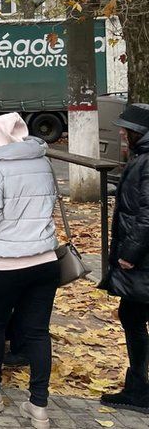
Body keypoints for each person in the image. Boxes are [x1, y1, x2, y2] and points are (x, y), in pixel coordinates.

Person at [0, 112, 58, 429]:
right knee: (38, 333)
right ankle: (39, 407)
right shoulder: (42, 161)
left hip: (4, 263)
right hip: (44, 261)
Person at [99, 103, 149, 414]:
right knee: (131, 316)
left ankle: (139, 390)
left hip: (142, 261)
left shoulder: (145, 162)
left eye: (125, 128)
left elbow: (146, 216)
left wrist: (129, 255)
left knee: (131, 317)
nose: (120, 131)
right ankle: (137, 385)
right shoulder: (141, 158)